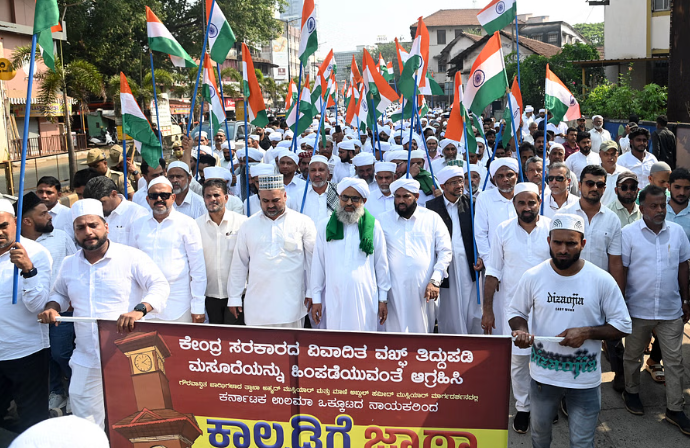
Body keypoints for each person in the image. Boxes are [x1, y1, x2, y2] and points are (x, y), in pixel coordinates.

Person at [37, 199, 169, 429]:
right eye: (80, 227)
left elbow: (159, 285)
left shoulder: (130, 257)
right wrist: (53, 307)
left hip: (128, 354)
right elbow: (59, 293)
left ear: (105, 227)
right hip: (86, 356)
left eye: (93, 225)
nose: (88, 232)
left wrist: (139, 311)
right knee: (84, 420)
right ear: (74, 232)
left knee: (134, 418)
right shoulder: (69, 264)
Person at [507, 213, 632, 448]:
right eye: (558, 242)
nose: (563, 249)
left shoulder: (600, 279)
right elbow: (516, 312)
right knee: (540, 436)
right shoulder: (533, 276)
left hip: (585, 380)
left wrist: (587, 332)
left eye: (571, 243)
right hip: (543, 377)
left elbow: (623, 325)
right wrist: (521, 331)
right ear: (549, 241)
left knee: (582, 441)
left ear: (583, 244)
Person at [621, 186, 690, 436]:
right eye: (654, 206)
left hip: (671, 309)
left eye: (663, 205)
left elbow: (683, 266)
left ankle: (675, 409)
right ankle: (631, 392)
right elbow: (623, 270)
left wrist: (686, 299)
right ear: (642, 208)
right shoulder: (628, 234)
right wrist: (621, 305)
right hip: (637, 308)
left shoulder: (678, 232)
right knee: (632, 356)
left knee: (674, 362)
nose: (660, 210)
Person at [484, 182, 551, 434]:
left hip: (548, 305)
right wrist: (488, 310)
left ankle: (546, 405)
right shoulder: (502, 230)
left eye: (531, 202)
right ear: (514, 204)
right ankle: (523, 408)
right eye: (521, 202)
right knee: (519, 360)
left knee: (547, 358)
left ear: (539, 203)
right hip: (514, 308)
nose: (526, 207)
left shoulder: (551, 228)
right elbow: (493, 272)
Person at [562, 164, 626, 392]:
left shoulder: (612, 219)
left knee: (612, 338)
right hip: (568, 290)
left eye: (600, 185)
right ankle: (567, 388)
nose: (594, 188)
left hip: (601, 290)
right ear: (580, 185)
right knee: (571, 341)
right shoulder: (564, 215)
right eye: (589, 183)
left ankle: (620, 376)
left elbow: (615, 261)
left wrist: (617, 295)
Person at [229, 174, 316, 328]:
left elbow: (312, 262)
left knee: (290, 349)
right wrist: (234, 297)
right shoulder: (248, 225)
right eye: (265, 201)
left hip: (292, 304)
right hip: (257, 307)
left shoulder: (302, 222)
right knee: (259, 350)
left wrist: (312, 291)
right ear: (259, 199)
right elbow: (239, 263)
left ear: (285, 196)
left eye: (275, 200)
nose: (270, 205)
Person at [17, 192, 77, 414]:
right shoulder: (15, 249)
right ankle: (55, 393)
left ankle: (74, 390)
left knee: (61, 353)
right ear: (27, 221)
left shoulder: (60, 237)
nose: (50, 216)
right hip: (29, 314)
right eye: (43, 214)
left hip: (61, 308)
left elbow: (74, 264)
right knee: (45, 356)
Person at [310, 178, 391, 331]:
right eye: (344, 197)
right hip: (334, 295)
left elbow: (382, 265)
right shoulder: (325, 226)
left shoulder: (373, 227)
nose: (349, 203)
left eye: (355, 199)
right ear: (339, 197)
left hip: (364, 297)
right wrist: (316, 299)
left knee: (364, 343)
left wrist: (383, 298)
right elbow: (318, 265)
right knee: (335, 342)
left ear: (364, 200)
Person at [0, 199, 52, 433]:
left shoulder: (36, 253)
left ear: (15, 223)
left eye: (3, 226)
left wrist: (28, 270)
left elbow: (38, 307)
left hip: (26, 352)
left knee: (33, 422)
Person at [378, 179, 451, 333]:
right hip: (393, 289)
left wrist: (435, 280)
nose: (401, 201)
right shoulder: (382, 220)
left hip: (424, 287)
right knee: (394, 332)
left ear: (417, 196)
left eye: (406, 196)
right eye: (397, 197)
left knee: (423, 331)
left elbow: (445, 250)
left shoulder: (431, 218)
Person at [129, 177, 206, 323]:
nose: (159, 199)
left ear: (173, 197)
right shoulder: (137, 225)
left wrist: (198, 306)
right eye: (154, 196)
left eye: (164, 195)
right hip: (146, 304)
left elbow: (198, 267)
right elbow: (132, 265)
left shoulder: (187, 224)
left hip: (179, 302)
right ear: (147, 199)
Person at [427, 166, 482, 335]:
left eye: (460, 181)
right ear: (443, 186)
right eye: (454, 182)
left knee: (472, 303)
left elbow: (480, 233)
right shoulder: (431, 206)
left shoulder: (472, 204)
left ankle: (473, 338)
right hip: (445, 264)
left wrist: (480, 256)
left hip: (468, 262)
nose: (459, 185)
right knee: (449, 307)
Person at [195, 178, 247, 325]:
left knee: (235, 340)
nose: (212, 199)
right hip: (209, 294)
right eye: (208, 196)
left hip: (238, 295)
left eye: (216, 195)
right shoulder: (195, 226)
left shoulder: (242, 223)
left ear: (226, 197)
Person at [474, 158, 519, 268]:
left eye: (509, 175)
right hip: (494, 261)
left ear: (516, 176)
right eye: (500, 176)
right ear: (493, 179)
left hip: (521, 260)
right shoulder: (484, 198)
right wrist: (490, 264)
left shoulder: (525, 195)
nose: (505, 179)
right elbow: (480, 234)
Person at [83, 176, 148, 245]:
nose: (98, 208)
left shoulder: (137, 214)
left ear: (114, 194)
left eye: (102, 203)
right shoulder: (92, 213)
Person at [600, 141, 629, 207]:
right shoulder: (594, 174)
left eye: (612, 154)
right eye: (606, 154)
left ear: (617, 154)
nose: (610, 157)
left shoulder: (625, 173)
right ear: (600, 155)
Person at [667, 167, 690, 240]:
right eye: (677, 187)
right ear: (668, 187)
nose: (682, 193)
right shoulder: (657, 208)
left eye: (687, 188)